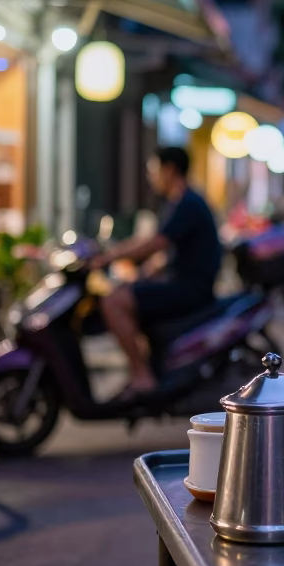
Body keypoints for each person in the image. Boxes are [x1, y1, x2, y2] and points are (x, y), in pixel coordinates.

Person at [94, 147, 222, 398]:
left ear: (170, 170)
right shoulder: (180, 201)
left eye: (154, 171)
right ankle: (150, 367)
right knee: (128, 291)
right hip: (184, 282)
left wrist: (110, 256)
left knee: (113, 302)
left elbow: (156, 243)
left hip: (190, 288)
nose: (151, 178)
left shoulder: (187, 202)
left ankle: (142, 376)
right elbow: (167, 247)